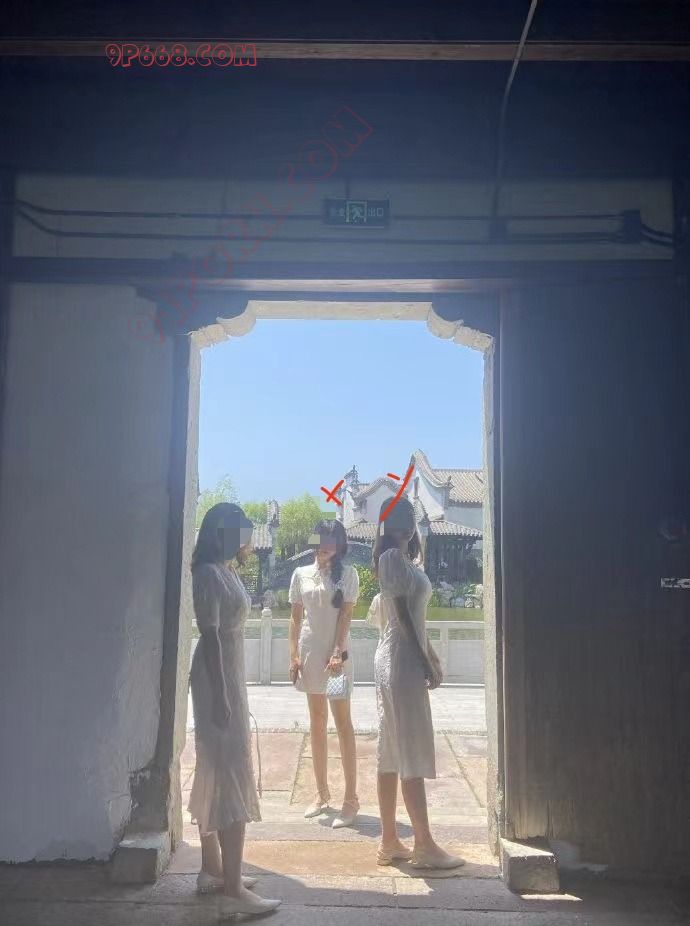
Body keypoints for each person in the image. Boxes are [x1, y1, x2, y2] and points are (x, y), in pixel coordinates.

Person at [189, 502, 281, 917]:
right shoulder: (209, 573)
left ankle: (213, 869)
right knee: (229, 767)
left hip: (228, 673)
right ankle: (232, 889)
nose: (247, 540)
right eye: (241, 532)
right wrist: (223, 694)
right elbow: (209, 634)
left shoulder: (225, 570)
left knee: (215, 766)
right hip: (217, 677)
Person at [367, 496, 464, 869]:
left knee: (393, 749)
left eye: (409, 515)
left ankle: (390, 841)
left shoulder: (403, 560)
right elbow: (403, 617)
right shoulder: (391, 558)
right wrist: (424, 660)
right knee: (406, 748)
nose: (408, 522)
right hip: (400, 660)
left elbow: (415, 619)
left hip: (403, 656)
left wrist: (432, 655)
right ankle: (423, 844)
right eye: (401, 516)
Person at [288, 519, 361, 827]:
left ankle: (351, 799)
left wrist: (337, 652)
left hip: (336, 659)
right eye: (321, 538)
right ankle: (321, 793)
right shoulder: (300, 574)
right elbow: (295, 618)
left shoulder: (348, 574)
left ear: (340, 544)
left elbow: (346, 616)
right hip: (310, 654)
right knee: (317, 722)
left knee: (343, 723)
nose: (325, 545)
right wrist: (294, 655)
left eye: (332, 539)